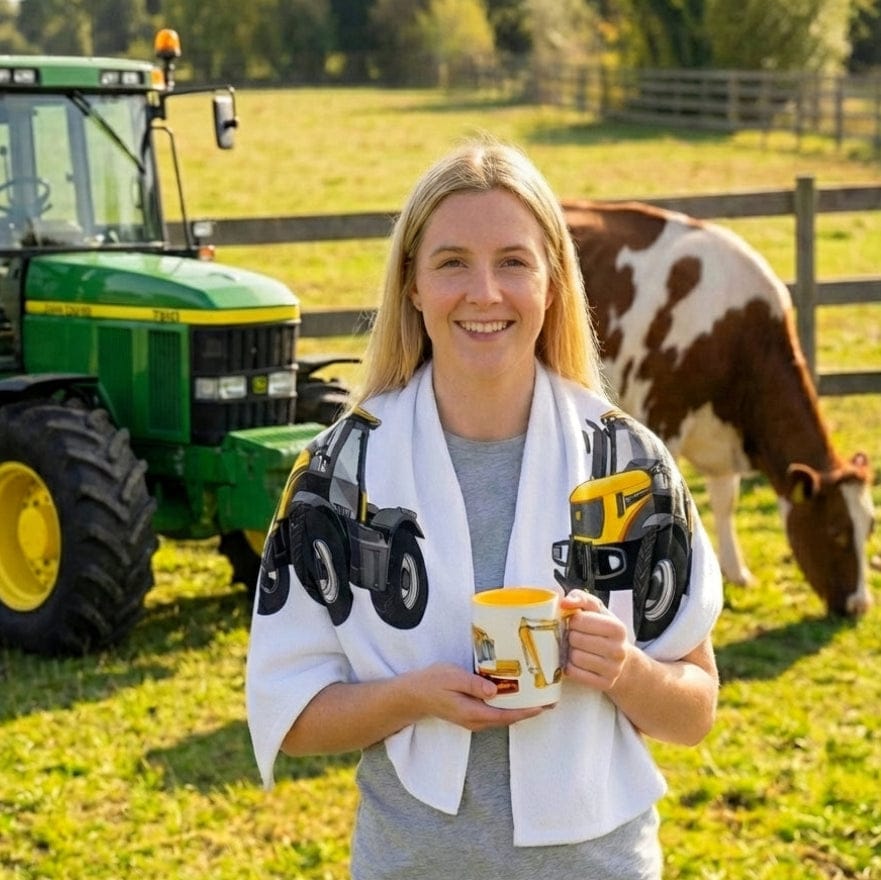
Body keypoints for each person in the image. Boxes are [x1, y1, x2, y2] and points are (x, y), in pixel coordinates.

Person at [246, 139, 723, 879]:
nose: (485, 293)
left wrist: (625, 669)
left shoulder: (630, 464)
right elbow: (292, 715)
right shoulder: (340, 471)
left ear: (552, 282)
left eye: (512, 262)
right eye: (451, 263)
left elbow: (694, 713)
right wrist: (411, 697)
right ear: (411, 284)